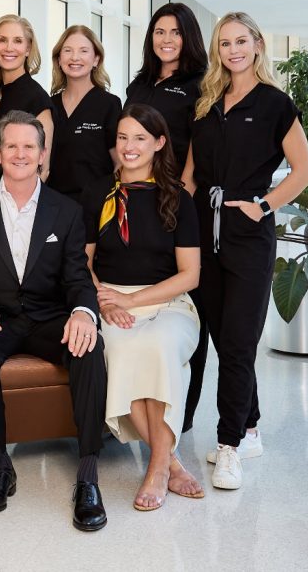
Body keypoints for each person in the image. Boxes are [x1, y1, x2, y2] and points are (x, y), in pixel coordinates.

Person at [0, 110, 109, 532]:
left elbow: (78, 277)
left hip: (47, 317)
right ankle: (0, 466)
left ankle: (88, 476)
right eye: (12, 146)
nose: (20, 154)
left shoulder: (66, 210)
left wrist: (84, 312)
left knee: (89, 344)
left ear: (42, 154)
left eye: (29, 146)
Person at [183, 12, 308, 490]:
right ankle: (250, 427)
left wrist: (263, 206)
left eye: (241, 41)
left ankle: (229, 446)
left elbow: (303, 170)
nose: (233, 50)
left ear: (257, 44)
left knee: (239, 344)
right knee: (224, 340)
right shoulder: (208, 103)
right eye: (225, 43)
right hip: (204, 234)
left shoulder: (276, 104)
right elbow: (191, 174)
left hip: (249, 238)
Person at [82, 104, 203, 511]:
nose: (129, 146)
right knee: (123, 352)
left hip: (168, 302)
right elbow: (82, 262)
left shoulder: (178, 198)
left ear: (159, 143)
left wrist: (132, 300)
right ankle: (170, 464)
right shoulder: (98, 193)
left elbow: (190, 275)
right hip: (110, 300)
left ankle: (155, 469)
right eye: (122, 137)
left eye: (139, 138)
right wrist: (104, 300)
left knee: (157, 345)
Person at [125, 2, 210, 434]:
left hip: (176, 200)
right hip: (137, 198)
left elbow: (197, 142)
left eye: (175, 32)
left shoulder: (200, 84)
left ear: (188, 37)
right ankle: (141, 406)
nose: (167, 39)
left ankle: (184, 414)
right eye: (160, 31)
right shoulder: (139, 83)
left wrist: (184, 192)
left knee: (188, 299)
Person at [46, 25, 121, 202]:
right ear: (59, 59)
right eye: (68, 50)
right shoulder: (48, 105)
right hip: (53, 206)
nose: (75, 57)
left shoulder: (109, 104)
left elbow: (120, 163)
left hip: (96, 206)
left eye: (83, 51)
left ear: (96, 59)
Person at [0, 15, 54, 185]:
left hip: (12, 197)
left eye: (18, 41)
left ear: (28, 49)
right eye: (2, 40)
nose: (9, 48)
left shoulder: (37, 99)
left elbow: (42, 170)